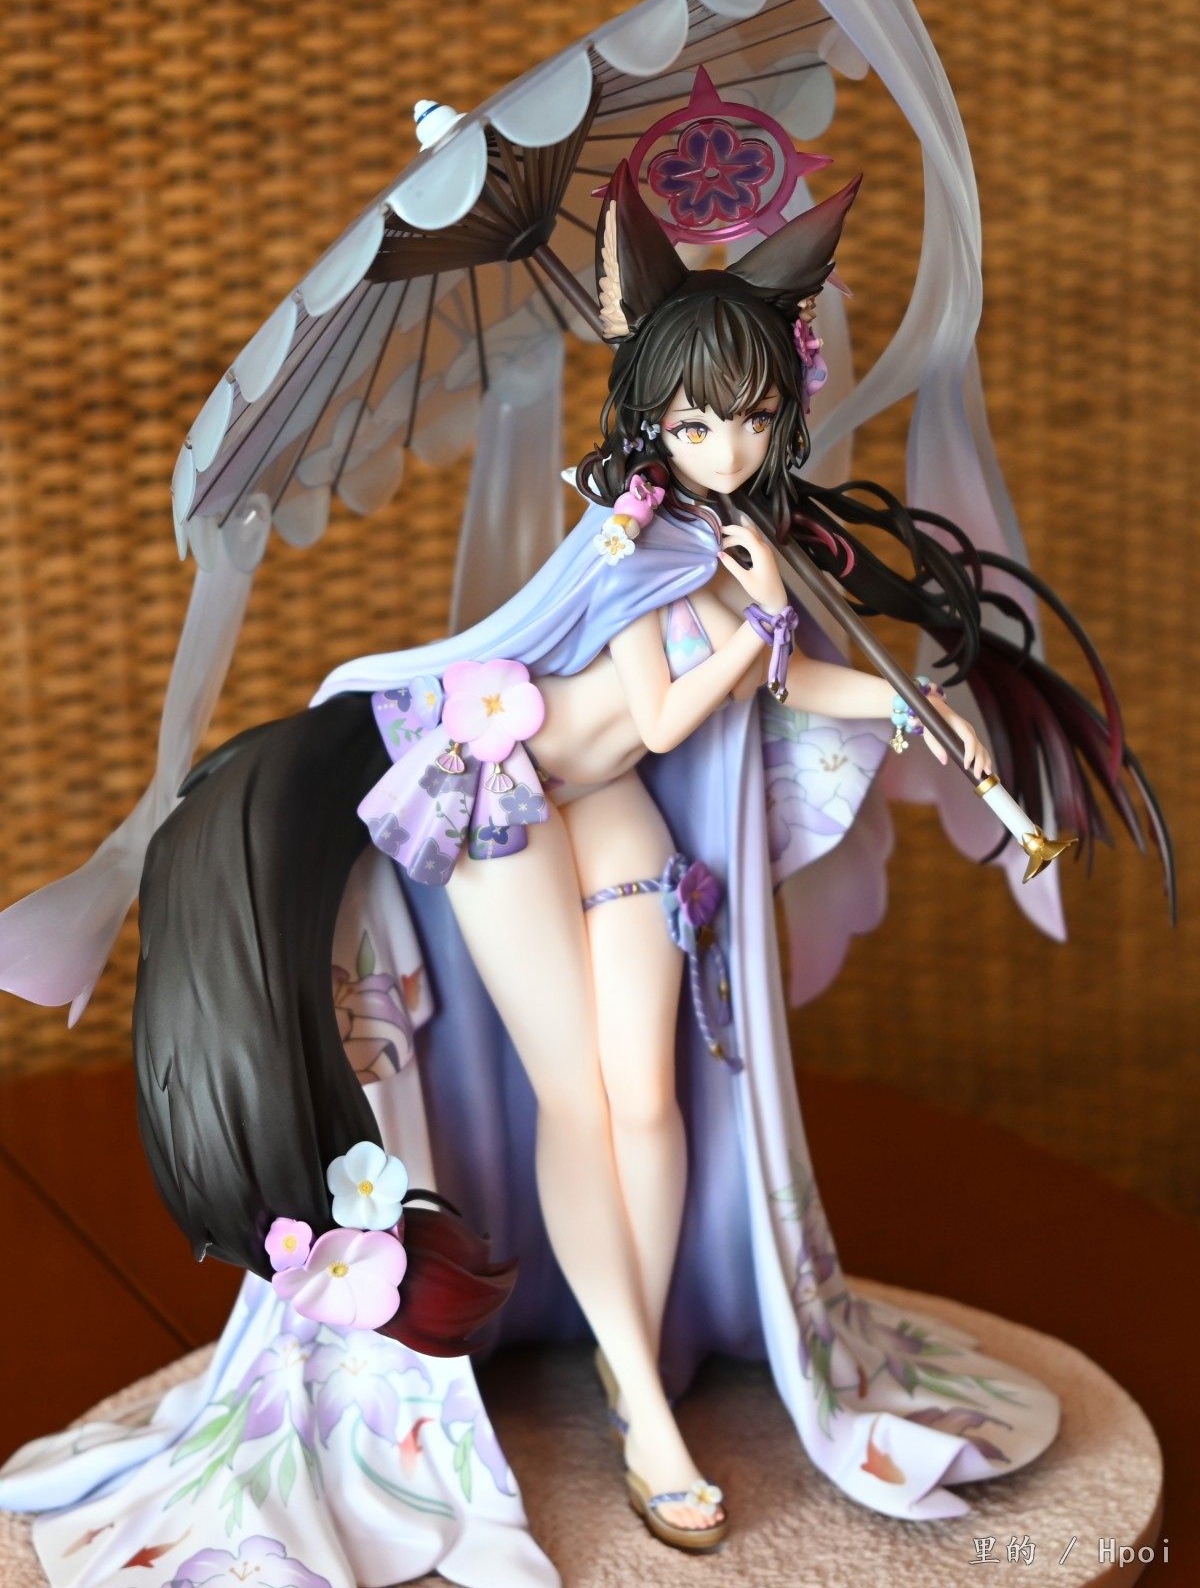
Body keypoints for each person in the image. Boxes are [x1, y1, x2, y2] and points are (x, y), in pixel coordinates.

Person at [0, 165, 1165, 1588]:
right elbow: (673, 711)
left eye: (752, 418)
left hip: (606, 809)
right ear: (652, 416)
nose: (728, 446)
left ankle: (634, 1354)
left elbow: (796, 692)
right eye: (697, 421)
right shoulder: (630, 535)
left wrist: (925, 713)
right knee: (576, 1097)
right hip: (501, 795)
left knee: (650, 1094)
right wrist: (757, 624)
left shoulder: (745, 538)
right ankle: (645, 1408)